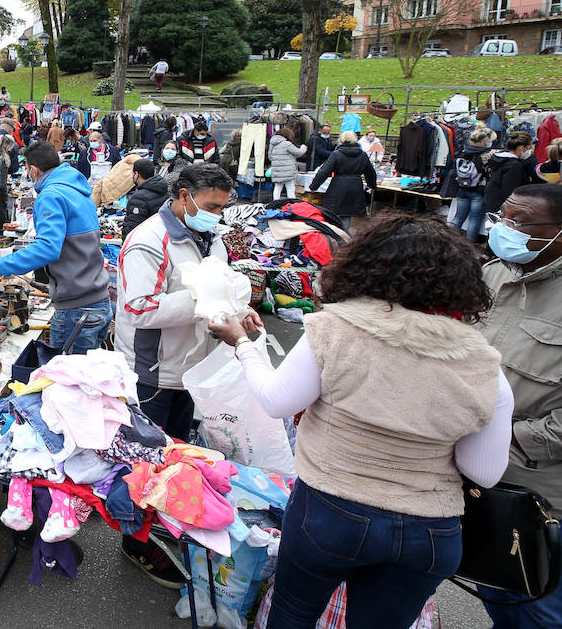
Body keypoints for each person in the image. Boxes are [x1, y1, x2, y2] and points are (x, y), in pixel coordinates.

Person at [210, 212, 512, 626]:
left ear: (363, 266)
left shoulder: (334, 330)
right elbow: (484, 471)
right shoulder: (484, 365)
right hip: (429, 531)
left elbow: (277, 401)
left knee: (293, 613)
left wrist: (243, 344)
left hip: (330, 514)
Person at [114, 163, 234, 587]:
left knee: (175, 459)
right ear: (184, 196)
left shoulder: (210, 237)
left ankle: (163, 524)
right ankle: (136, 541)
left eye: (222, 208)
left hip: (190, 369)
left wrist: (232, 308)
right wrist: (205, 300)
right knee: (144, 464)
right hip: (153, 372)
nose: (217, 215)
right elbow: (140, 308)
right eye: (211, 206)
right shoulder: (148, 241)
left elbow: (219, 284)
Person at [478, 184, 562, 624]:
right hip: (484, 480)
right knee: (497, 591)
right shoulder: (494, 274)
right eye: (503, 217)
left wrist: (510, 437)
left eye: (520, 223)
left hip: (542, 495)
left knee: (538, 611)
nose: (504, 229)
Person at [0, 143, 111, 352]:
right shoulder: (77, 189)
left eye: (27, 168)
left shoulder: (51, 195)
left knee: (63, 371)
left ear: (34, 170)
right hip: (97, 300)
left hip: (77, 307)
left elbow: (47, 248)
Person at [311, 130, 378, 225]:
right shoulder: (362, 155)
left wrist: (314, 186)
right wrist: (372, 185)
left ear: (341, 140)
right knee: (347, 213)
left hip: (338, 185)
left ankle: (334, 231)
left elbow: (324, 172)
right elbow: (370, 172)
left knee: (332, 213)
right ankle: (344, 232)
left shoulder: (336, 154)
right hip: (355, 186)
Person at [450, 126, 495, 243]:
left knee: (458, 217)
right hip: (478, 191)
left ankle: (449, 240)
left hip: (462, 188)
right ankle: (469, 245)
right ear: (486, 141)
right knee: (475, 220)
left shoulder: (464, 152)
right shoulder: (487, 155)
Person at [485, 130, 540, 216]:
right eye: (529, 148)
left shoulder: (499, 158)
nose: (529, 151)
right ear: (522, 148)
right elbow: (510, 189)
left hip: (493, 201)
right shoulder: (514, 165)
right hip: (504, 207)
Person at [121, 158, 168, 238]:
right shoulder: (163, 189)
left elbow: (132, 229)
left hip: (144, 241)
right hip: (160, 238)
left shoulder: (139, 198)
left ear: (136, 174)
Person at [267, 127, 307, 201]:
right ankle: (291, 204)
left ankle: (275, 203)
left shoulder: (272, 144)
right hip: (288, 170)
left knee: (277, 187)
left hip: (277, 170)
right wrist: (303, 148)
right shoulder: (287, 144)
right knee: (290, 187)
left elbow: (270, 157)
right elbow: (299, 153)